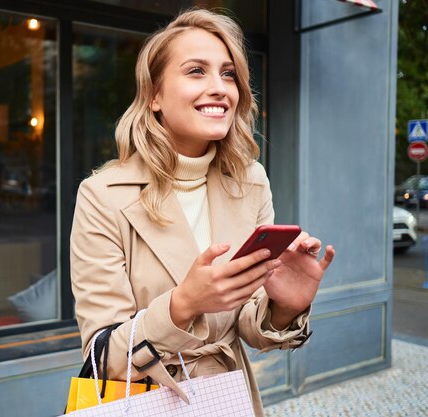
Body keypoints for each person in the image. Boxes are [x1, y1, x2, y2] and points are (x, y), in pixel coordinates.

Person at [70, 9, 335, 416]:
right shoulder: (102, 195)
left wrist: (285, 306)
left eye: (228, 74)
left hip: (227, 398)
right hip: (143, 400)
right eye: (196, 71)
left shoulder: (250, 181)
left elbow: (247, 324)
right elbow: (102, 357)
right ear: (154, 96)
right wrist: (183, 304)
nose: (219, 88)